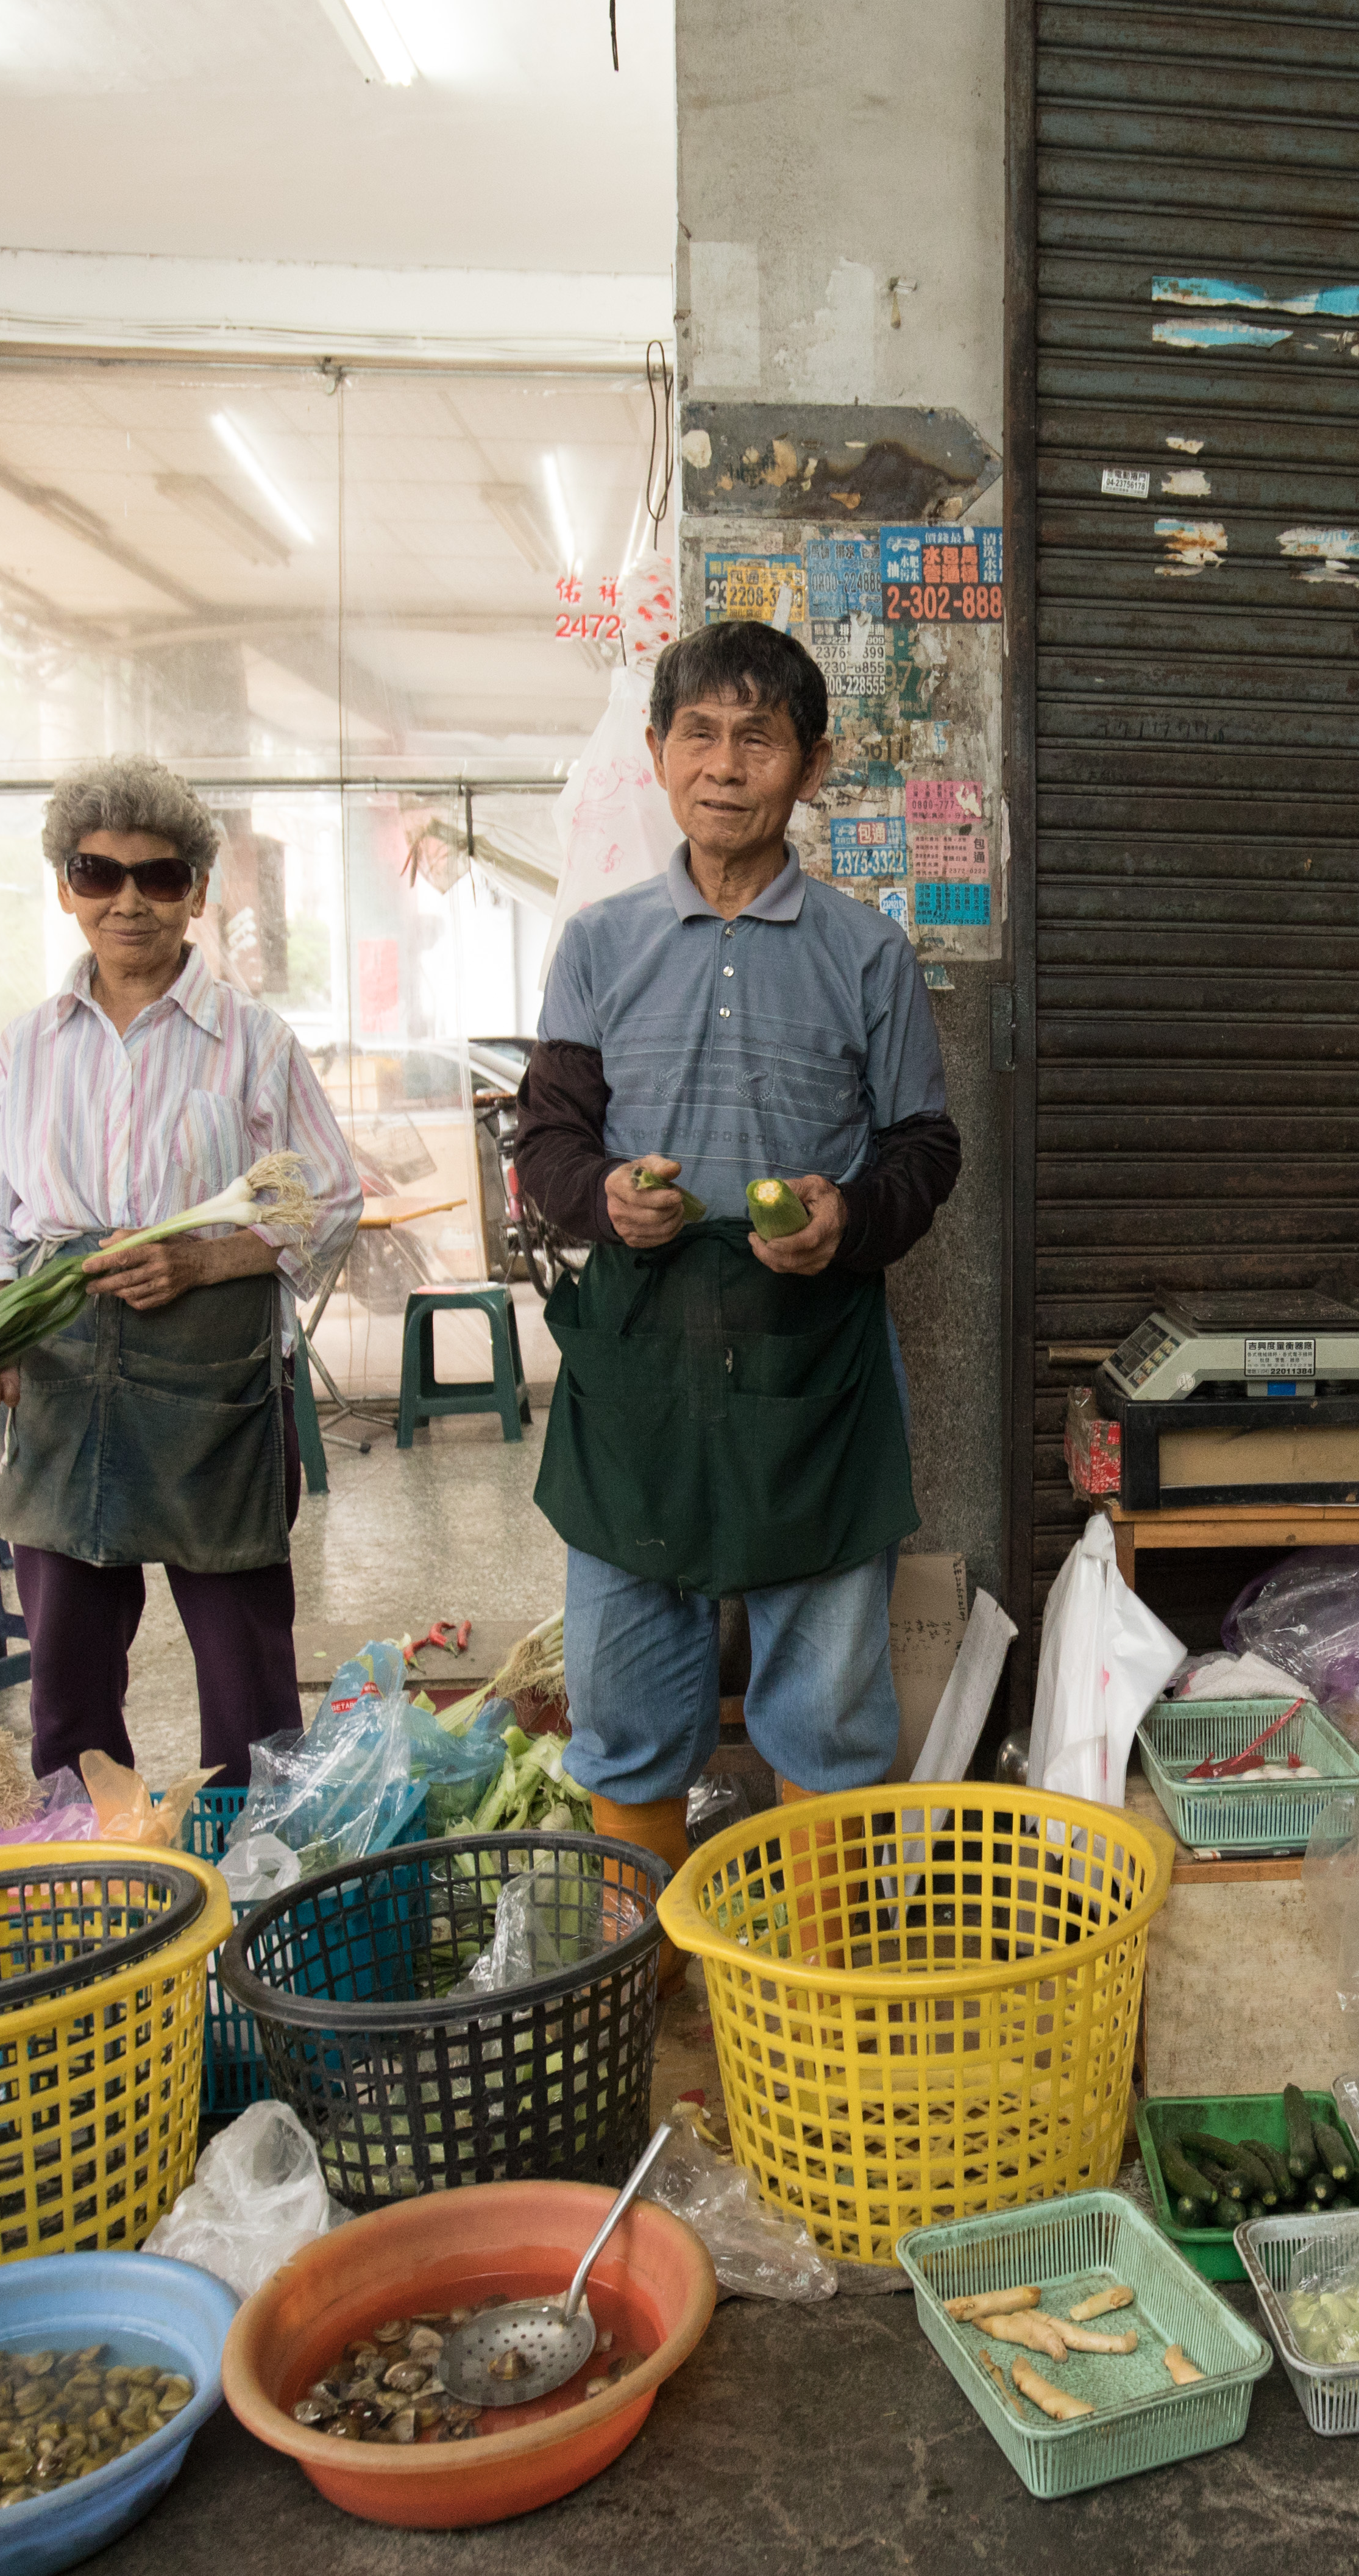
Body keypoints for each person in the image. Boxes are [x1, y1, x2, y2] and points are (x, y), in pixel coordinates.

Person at [515, 620, 963, 1880]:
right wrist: (603, 1196)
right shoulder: (598, 944)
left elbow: (926, 1148)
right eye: (699, 733)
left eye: (757, 737)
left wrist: (847, 1220)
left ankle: (810, 1964)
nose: (725, 764)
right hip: (639, 1356)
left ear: (811, 766)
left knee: (825, 1690)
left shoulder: (866, 950)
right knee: (621, 1676)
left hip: (807, 1358)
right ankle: (641, 1955)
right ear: (656, 753)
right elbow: (547, 1143)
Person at [0, 762, 361, 1787]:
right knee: (69, 1673)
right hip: (58, 1369)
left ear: (198, 893)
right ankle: (94, 1862)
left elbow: (330, 1196)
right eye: (99, 872)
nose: (129, 899)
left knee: (245, 1664)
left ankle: (256, 1864)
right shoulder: (26, 1047)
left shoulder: (254, 1042)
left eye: (160, 876)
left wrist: (202, 1256)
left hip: (206, 1389)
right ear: (65, 887)